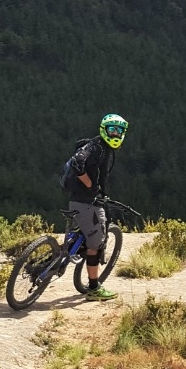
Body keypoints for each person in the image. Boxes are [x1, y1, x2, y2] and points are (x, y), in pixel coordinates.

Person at [64, 113, 128, 301]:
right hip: (86, 201)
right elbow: (77, 164)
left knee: (85, 232)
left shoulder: (98, 146)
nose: (115, 134)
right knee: (97, 244)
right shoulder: (97, 148)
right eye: (112, 130)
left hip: (78, 198)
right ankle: (93, 288)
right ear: (104, 129)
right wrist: (91, 186)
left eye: (119, 131)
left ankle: (69, 252)